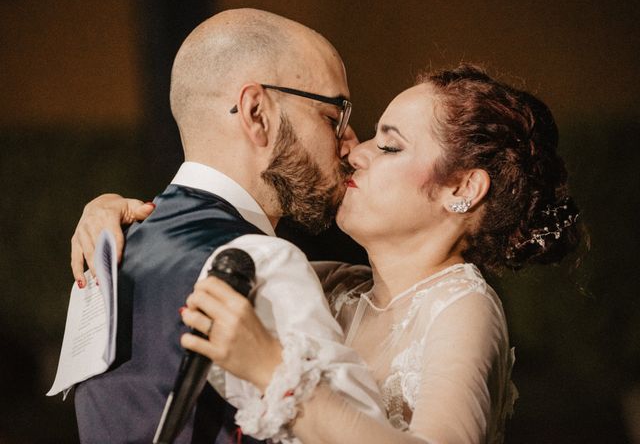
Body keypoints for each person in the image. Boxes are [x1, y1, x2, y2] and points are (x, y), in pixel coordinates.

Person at [76, 64, 581, 443]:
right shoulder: (334, 286)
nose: (354, 150)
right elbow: (200, 257)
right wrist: (120, 213)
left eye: (390, 147)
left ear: (463, 188)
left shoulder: (463, 307)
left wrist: (277, 372)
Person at [69, 8, 387, 444]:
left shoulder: (104, 254)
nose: (349, 144)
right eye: (333, 117)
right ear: (257, 113)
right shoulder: (259, 265)